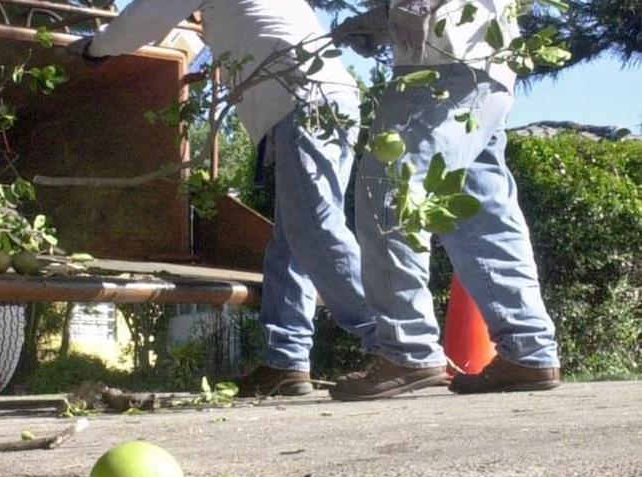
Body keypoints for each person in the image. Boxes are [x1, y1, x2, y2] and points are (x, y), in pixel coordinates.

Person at [69, 0, 376, 397]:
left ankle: (397, 343)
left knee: (316, 228)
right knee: (290, 243)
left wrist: (95, 48)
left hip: (303, 101)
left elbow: (146, 16)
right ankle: (285, 360)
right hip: (317, 98)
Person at [329, 0, 561, 401]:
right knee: (482, 216)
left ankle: (407, 348)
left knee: (388, 188)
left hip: (442, 62)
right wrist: (383, 20)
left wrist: (403, 11)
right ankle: (527, 348)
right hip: (486, 64)